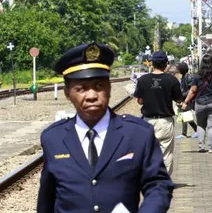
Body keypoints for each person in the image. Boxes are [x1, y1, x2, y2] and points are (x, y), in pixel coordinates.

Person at [37, 43, 174, 213]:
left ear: (109, 89)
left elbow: (158, 185)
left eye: (99, 86)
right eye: (81, 89)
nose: (92, 96)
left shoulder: (138, 134)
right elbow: (47, 200)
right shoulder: (53, 138)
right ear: (68, 94)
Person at [134, 50, 183, 175]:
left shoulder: (143, 80)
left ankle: (150, 177)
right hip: (165, 121)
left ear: (152, 63)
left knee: (149, 151)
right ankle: (163, 179)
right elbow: (178, 99)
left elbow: (140, 101)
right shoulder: (172, 80)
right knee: (166, 152)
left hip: (147, 121)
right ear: (166, 64)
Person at [182, 55, 212, 153]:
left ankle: (201, 147)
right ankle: (211, 148)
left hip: (200, 103)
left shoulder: (197, 76)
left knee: (201, 125)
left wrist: (185, 102)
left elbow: (193, 90)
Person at [176, 62, 198, 139]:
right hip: (185, 98)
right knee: (185, 115)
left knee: (185, 115)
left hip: (189, 99)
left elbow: (191, 89)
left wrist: (183, 96)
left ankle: (185, 133)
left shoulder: (188, 77)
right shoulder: (183, 77)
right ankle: (195, 131)